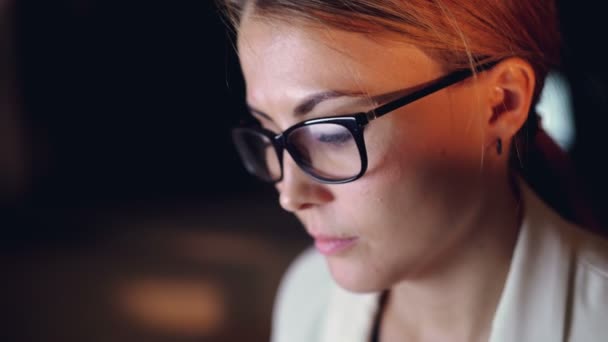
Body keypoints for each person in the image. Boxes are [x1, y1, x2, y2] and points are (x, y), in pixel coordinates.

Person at [218, 1, 608, 341]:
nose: (290, 194)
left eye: (330, 132)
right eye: (268, 129)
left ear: (501, 103)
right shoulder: (307, 297)